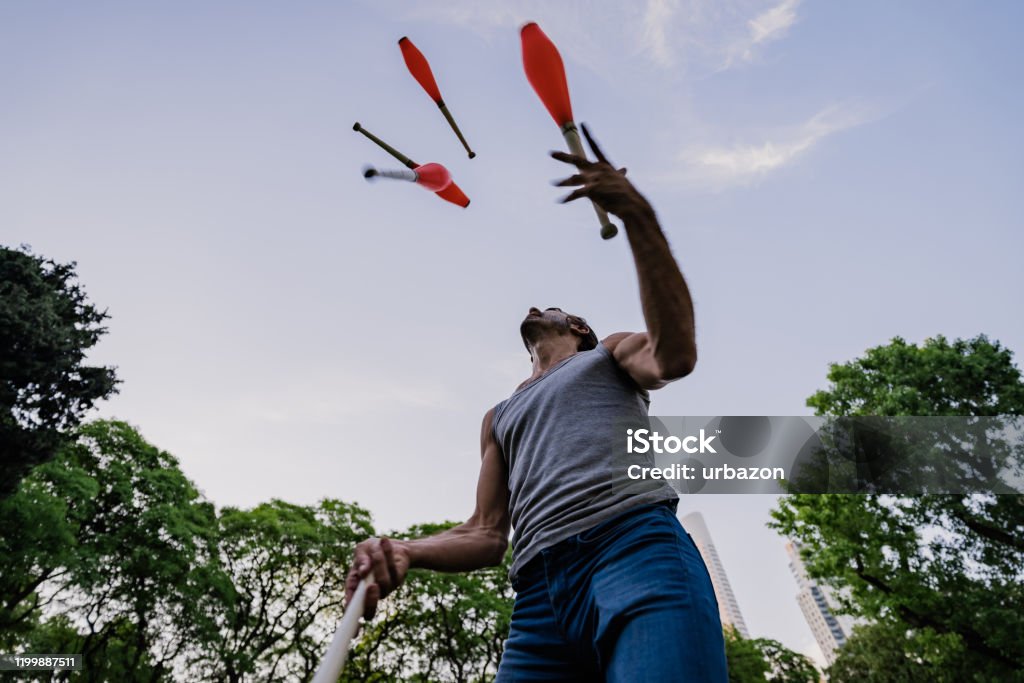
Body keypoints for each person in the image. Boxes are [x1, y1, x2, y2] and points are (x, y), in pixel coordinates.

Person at [346, 125, 728, 681]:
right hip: (537, 599)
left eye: (547, 305)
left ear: (576, 326)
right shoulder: (498, 416)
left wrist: (638, 219)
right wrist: (406, 549)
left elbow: (675, 355)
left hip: (634, 550)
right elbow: (485, 532)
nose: (531, 305)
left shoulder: (609, 354)